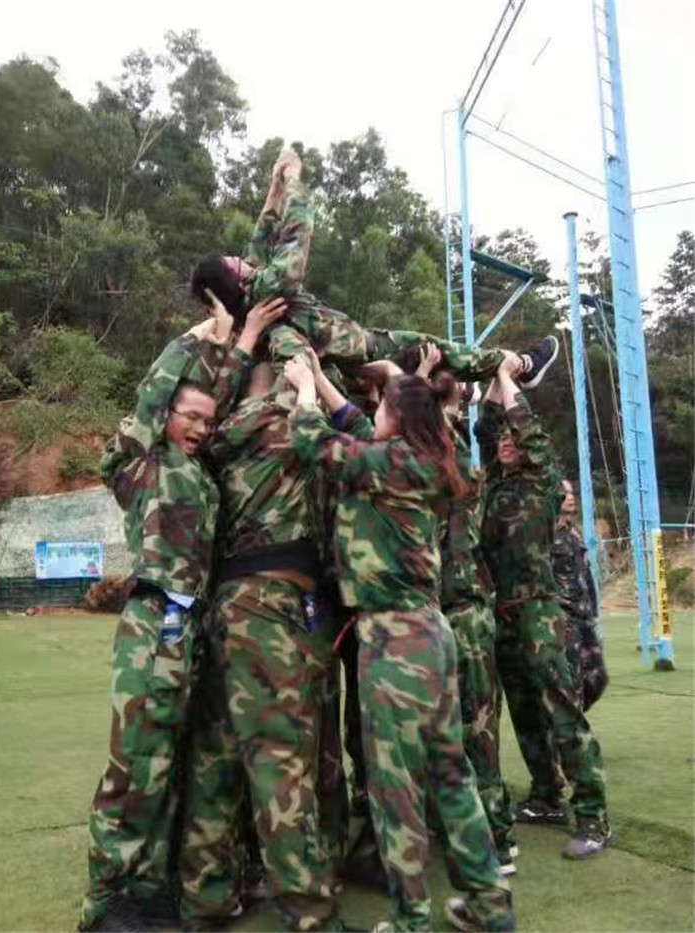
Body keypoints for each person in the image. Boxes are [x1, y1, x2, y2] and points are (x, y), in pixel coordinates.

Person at [285, 353, 515, 933]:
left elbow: (316, 442)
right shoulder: (425, 461)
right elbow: (355, 426)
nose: (372, 413)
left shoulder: (388, 463)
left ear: (394, 416)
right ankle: (489, 904)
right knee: (450, 774)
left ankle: (411, 919)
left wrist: (302, 389)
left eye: (381, 406)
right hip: (430, 635)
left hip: (393, 641)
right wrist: (322, 378)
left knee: (395, 787)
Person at [80, 294, 283, 932]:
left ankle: (147, 890)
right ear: (163, 417)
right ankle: (107, 901)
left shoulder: (199, 471)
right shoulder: (142, 463)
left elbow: (215, 408)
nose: (198, 427)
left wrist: (244, 344)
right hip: (152, 625)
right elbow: (152, 396)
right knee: (137, 764)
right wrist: (199, 337)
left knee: (168, 764)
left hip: (189, 630)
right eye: (187, 417)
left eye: (204, 420)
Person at [179, 356, 342, 932]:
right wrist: (308, 381)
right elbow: (334, 441)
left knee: (217, 754)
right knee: (280, 757)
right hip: (268, 608)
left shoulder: (220, 438)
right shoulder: (286, 425)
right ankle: (309, 911)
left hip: (224, 606)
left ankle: (206, 897)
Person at [189, 148, 556, 389]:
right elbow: (296, 232)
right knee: (431, 349)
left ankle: (469, 386)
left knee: (426, 362)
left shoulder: (247, 295)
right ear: (236, 283)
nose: (241, 259)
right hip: (354, 351)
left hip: (342, 354)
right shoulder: (269, 288)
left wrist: (275, 187)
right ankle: (523, 366)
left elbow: (262, 233)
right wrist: (295, 180)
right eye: (233, 263)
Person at [476, 356, 612, 859]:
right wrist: (495, 376)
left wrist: (508, 377)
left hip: (539, 611)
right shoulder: (496, 482)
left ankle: (594, 814)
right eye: (503, 439)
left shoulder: (544, 481)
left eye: (514, 438)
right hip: (503, 614)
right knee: (524, 713)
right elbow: (488, 425)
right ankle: (545, 796)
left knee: (562, 711)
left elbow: (527, 431)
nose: (506, 442)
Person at [414, 347, 516, 876]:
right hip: (437, 612)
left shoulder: (461, 470)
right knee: (450, 729)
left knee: (477, 728)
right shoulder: (434, 470)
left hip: (465, 611)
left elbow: (450, 429)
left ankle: (494, 836)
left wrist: (494, 375)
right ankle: (464, 829)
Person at [552, 480, 608, 713]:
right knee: (572, 680)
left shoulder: (574, 533)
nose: (570, 497)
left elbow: (586, 575)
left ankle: (570, 721)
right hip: (564, 617)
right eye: (564, 493)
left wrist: (594, 614)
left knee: (597, 678)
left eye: (571, 492)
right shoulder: (547, 534)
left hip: (583, 616)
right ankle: (571, 727)